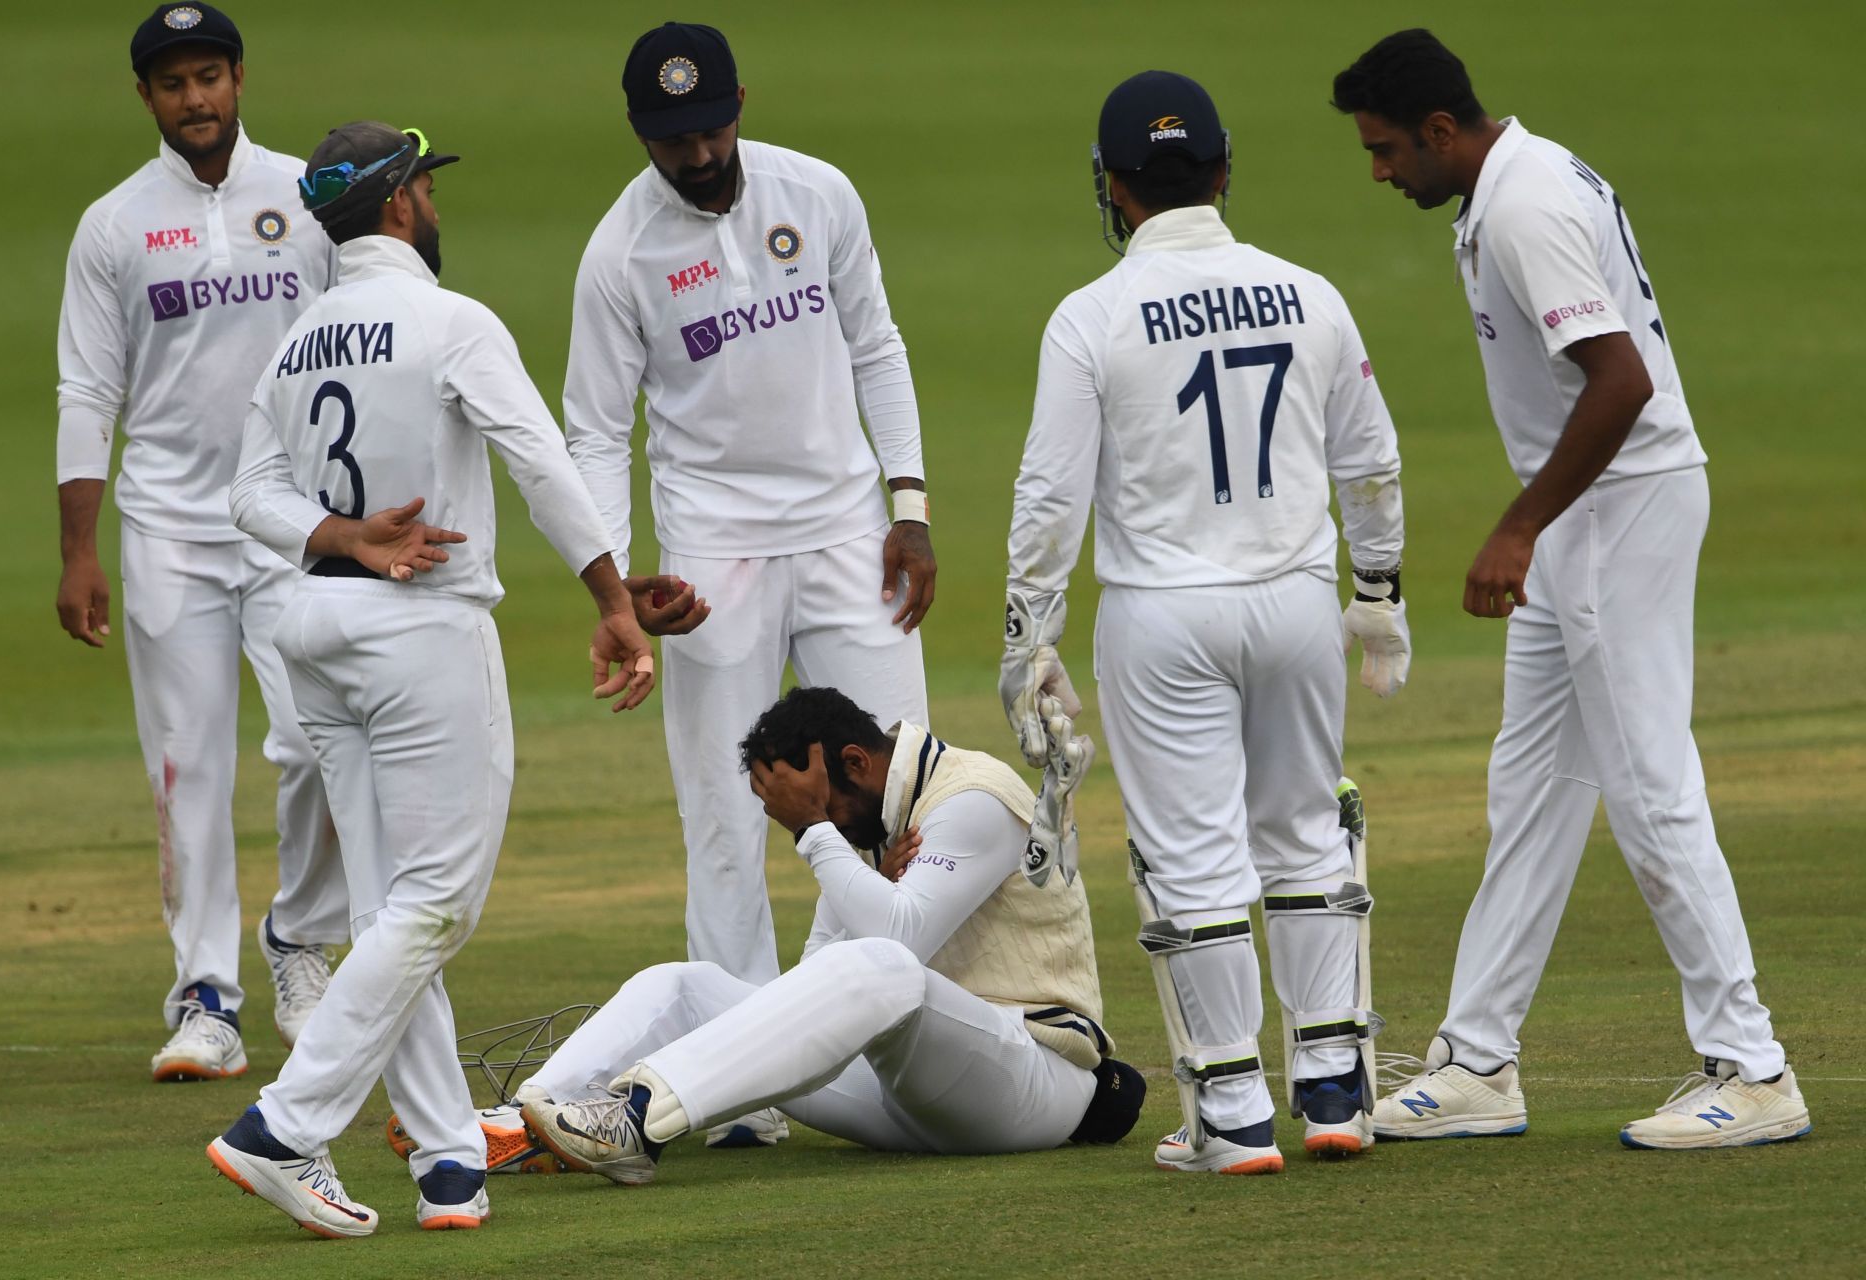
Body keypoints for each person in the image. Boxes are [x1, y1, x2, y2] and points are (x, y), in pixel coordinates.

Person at [1331, 29, 1810, 1150]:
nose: (1379, 169)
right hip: (1588, 514)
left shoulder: (1524, 204)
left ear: (1442, 131)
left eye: (1388, 148)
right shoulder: (1505, 185)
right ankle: (1480, 1060)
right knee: (1535, 783)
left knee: (1649, 782)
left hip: (1617, 508)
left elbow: (1623, 381)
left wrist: (1519, 525)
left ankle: (1754, 1064)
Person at [207, 121, 655, 1237]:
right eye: (428, 190)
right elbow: (541, 459)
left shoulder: (298, 337)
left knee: (389, 904)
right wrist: (613, 597)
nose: (435, 207)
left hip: (314, 630)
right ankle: (282, 1124)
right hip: (421, 635)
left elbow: (247, 496)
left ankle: (449, 1164)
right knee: (436, 901)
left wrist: (339, 535)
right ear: (401, 202)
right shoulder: (452, 320)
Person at [1001, 71, 1409, 1175]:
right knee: (1305, 828)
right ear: (1223, 173)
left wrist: (1026, 638)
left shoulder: (1090, 315)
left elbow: (1051, 496)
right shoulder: (1308, 290)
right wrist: (1377, 592)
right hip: (1294, 600)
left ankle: (1230, 1111)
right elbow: (1368, 460)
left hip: (1163, 611)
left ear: (1115, 187)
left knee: (1191, 855)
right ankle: (1333, 1091)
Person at [565, 23, 935, 1037]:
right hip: (712, 554)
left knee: (900, 778)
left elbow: (878, 345)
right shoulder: (621, 251)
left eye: (709, 129)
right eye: (670, 139)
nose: (695, 156)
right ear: (642, 133)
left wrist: (910, 510)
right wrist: (622, 582)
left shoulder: (818, 194)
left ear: (741, 105)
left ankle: (900, 1020)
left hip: (846, 528)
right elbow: (594, 429)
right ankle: (742, 1063)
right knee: (726, 815)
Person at [443, 687, 1142, 1180]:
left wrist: (816, 833)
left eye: (817, 803)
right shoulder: (880, 821)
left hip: (1032, 1080)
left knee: (884, 964)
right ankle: (519, 1124)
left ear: (857, 764)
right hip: (912, 1089)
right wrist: (842, 848)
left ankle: (634, 1117)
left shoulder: (974, 799)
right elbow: (812, 981)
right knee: (683, 984)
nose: (816, 825)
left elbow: (895, 951)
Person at [55, 2, 347, 1081]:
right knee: (187, 766)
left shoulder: (304, 200)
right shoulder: (115, 224)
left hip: (289, 519)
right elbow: (88, 390)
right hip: (171, 526)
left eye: (210, 77)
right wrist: (80, 549)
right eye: (173, 84)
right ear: (147, 98)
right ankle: (207, 1001)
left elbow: (356, 340)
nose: (196, 100)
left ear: (237, 79)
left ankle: (301, 940)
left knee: (318, 737)